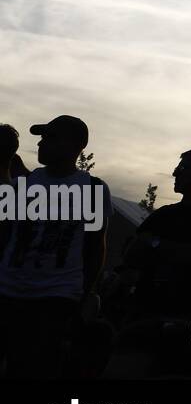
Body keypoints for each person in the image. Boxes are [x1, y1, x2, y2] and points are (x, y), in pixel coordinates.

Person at [0, 115, 109, 379]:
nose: (40, 143)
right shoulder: (19, 187)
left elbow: (96, 246)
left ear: (74, 145)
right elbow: (3, 237)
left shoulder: (92, 190)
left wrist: (87, 295)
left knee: (36, 369)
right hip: (7, 291)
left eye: (50, 137)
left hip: (56, 298)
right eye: (41, 137)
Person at [106, 149, 191, 377]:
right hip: (146, 309)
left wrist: (154, 243)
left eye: (183, 168)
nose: (175, 172)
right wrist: (172, 249)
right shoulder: (164, 213)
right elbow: (131, 254)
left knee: (190, 369)